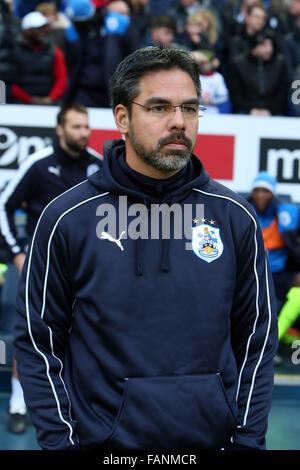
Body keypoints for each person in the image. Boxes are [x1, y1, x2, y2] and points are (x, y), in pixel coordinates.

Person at [14, 46, 278, 451]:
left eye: (190, 108)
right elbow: (37, 341)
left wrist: (246, 441)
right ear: (122, 117)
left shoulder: (235, 217)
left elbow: (257, 341)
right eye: (159, 107)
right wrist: (62, 445)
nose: (178, 122)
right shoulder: (67, 218)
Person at [0, 102, 102, 434]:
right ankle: (18, 405)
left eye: (86, 126)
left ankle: (76, 406)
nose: (83, 133)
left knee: (84, 338)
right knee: (31, 336)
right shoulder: (39, 164)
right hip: (40, 267)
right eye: (75, 127)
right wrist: (16, 252)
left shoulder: (99, 168)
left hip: (85, 271)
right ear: (60, 130)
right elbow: (3, 205)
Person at [250, 172, 300, 343]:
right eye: (257, 190)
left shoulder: (287, 214)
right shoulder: (244, 211)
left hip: (278, 274)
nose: (261, 195)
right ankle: (278, 340)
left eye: (266, 191)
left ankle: (274, 341)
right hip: (252, 274)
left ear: (273, 194)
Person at [63, 0, 140, 107]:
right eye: (75, 22)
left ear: (94, 12)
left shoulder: (120, 23)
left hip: (113, 87)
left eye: (81, 21)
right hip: (83, 90)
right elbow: (70, 62)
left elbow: (134, 55)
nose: (77, 25)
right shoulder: (72, 30)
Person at [11, 11, 67, 106]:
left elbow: (61, 79)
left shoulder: (54, 51)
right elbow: (6, 81)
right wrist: (29, 99)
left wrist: (51, 99)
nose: (43, 31)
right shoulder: (12, 51)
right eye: (38, 28)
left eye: (44, 28)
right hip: (18, 104)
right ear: (27, 30)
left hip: (50, 104)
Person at [227, 30, 289, 116]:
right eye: (264, 45)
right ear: (254, 47)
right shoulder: (238, 64)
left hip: (274, 112)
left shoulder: (279, 63)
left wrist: (270, 111)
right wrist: (251, 110)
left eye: (271, 45)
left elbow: (282, 94)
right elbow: (235, 95)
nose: (269, 49)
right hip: (245, 111)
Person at [191, 49, 230, 113]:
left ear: (212, 63)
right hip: (196, 111)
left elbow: (224, 97)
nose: (203, 65)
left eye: (206, 63)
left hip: (213, 111)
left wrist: (211, 100)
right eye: (201, 63)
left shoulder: (217, 77)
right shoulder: (194, 76)